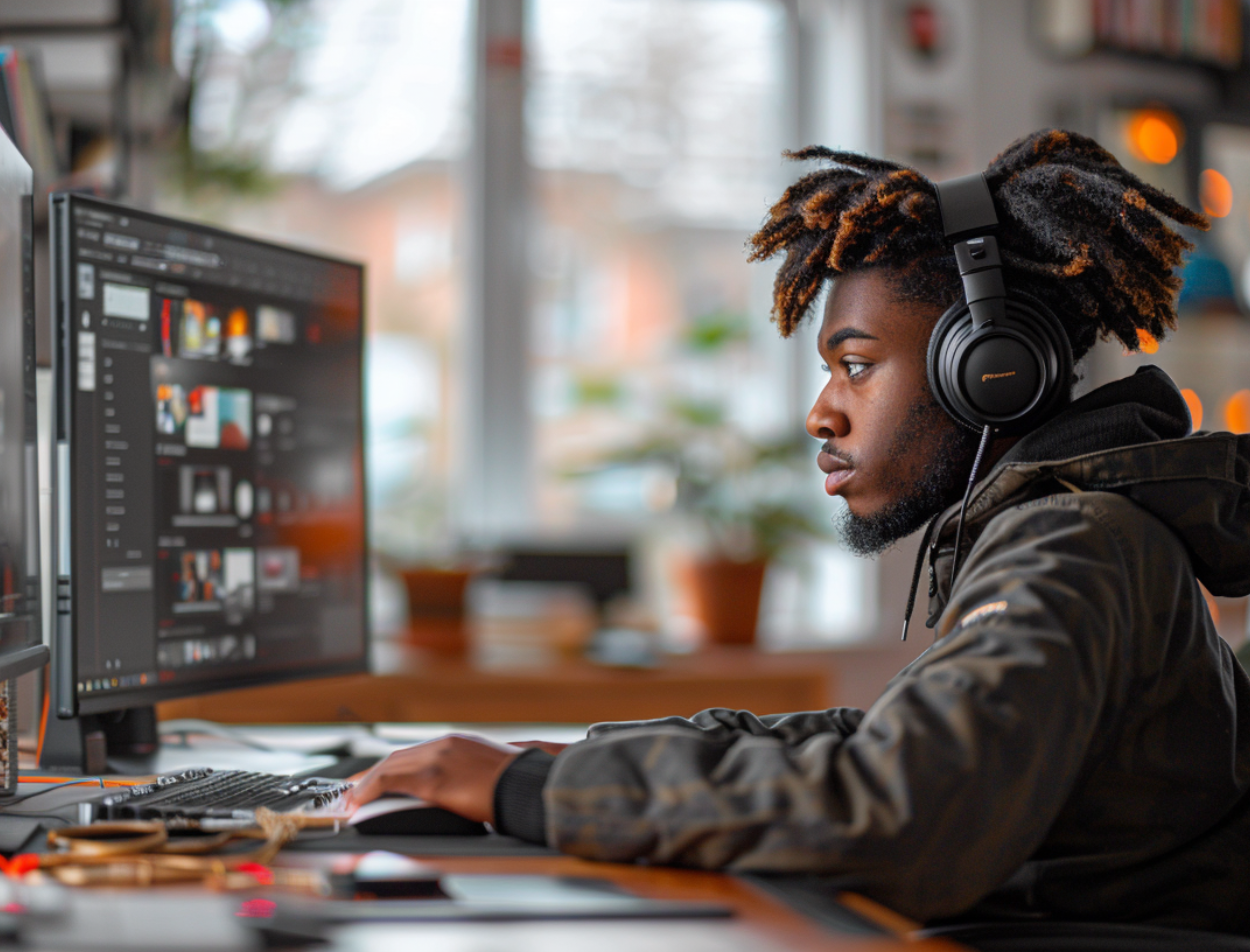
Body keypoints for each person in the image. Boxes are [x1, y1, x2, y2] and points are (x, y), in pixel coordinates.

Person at [345, 130, 1250, 936]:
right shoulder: (1063, 530)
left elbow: (902, 815)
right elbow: (891, 742)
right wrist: (589, 763)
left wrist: (528, 792)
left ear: (992, 371)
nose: (822, 413)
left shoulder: (1072, 546)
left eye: (855, 367)